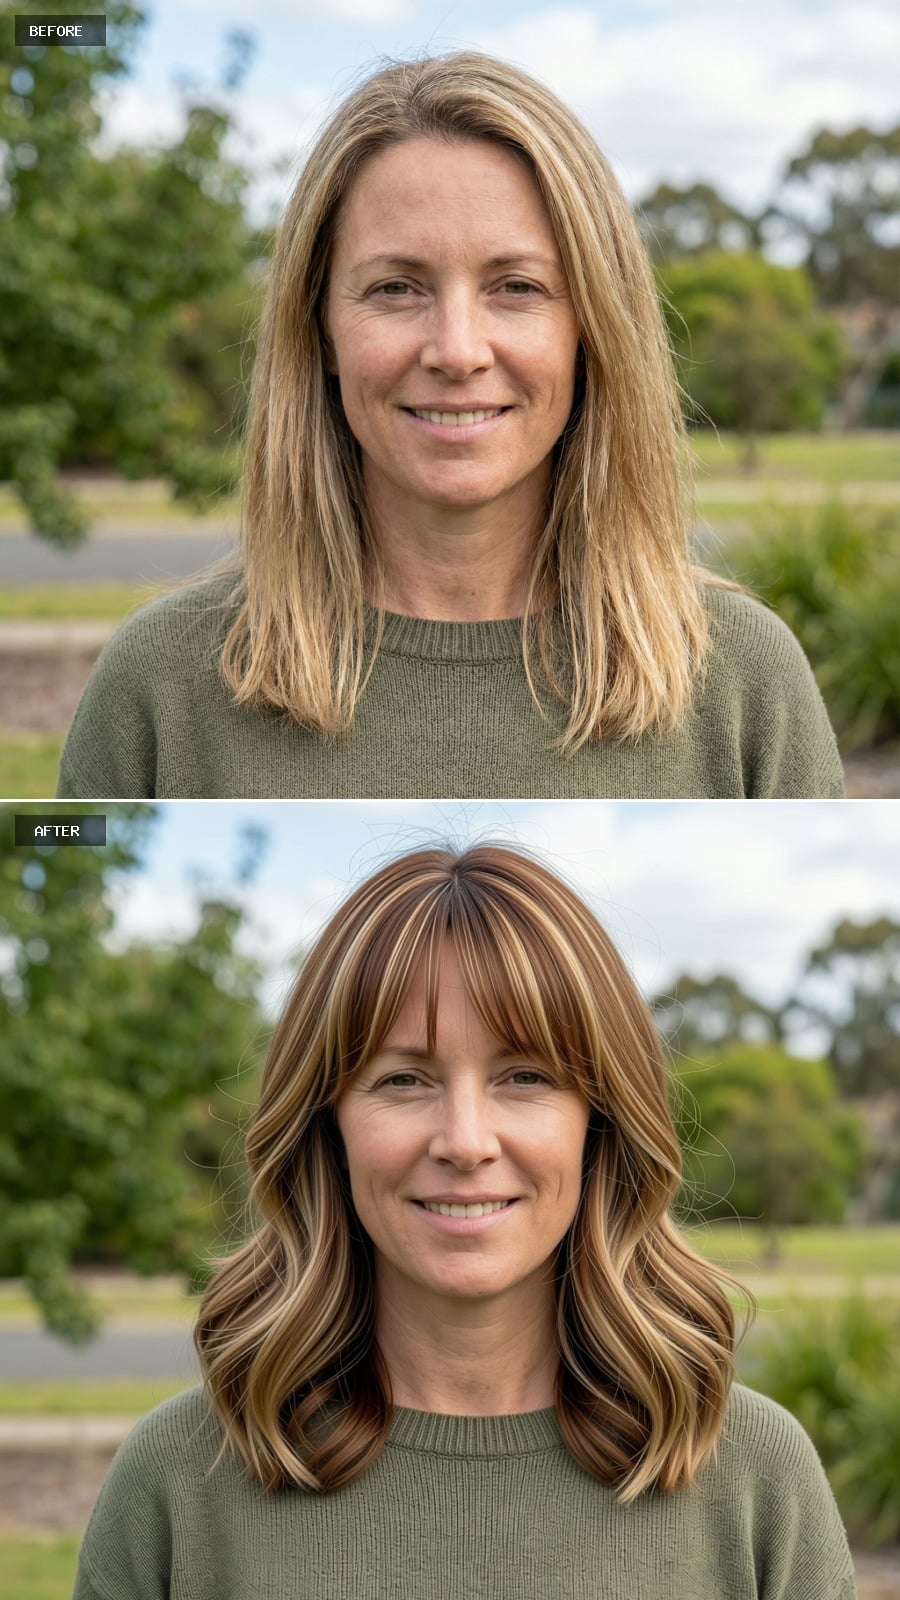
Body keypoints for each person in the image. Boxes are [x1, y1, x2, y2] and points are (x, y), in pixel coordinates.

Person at [73, 844, 856, 1599]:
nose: (466, 1142)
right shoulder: (178, 1480)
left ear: (601, 1122)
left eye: (525, 1076)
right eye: (405, 1078)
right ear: (327, 1125)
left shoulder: (757, 1477)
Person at [57, 53, 842, 800]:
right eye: (397, 287)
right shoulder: (158, 687)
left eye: (517, 286)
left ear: (592, 328)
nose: (458, 351)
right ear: (320, 327)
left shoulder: (744, 680)